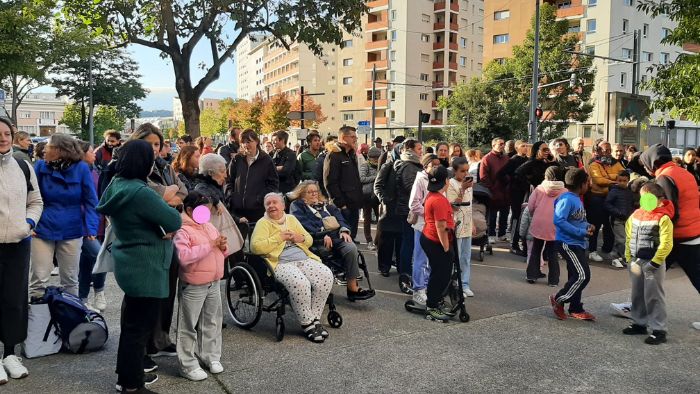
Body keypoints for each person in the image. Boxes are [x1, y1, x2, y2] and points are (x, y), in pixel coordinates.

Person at [97, 139, 182, 393]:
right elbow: (173, 218)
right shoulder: (141, 191)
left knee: (132, 327)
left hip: (129, 261)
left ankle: (126, 376)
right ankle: (131, 385)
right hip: (146, 264)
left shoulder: (116, 185)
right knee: (138, 330)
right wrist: (166, 221)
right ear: (143, 163)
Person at [131, 123, 187, 367]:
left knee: (167, 291)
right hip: (146, 239)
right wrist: (166, 194)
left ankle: (160, 338)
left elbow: (183, 191)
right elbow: (146, 197)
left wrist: (168, 193)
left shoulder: (164, 166)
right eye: (149, 144)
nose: (154, 149)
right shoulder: (131, 168)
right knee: (141, 296)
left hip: (169, 236)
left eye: (157, 144)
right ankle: (140, 349)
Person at [251, 193, 334, 342]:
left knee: (326, 275)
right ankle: (307, 324)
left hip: (303, 258)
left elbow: (308, 239)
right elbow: (255, 247)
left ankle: (314, 319)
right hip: (280, 263)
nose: (271, 206)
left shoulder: (291, 219)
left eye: (274, 202)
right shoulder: (263, 223)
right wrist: (279, 237)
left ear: (283, 206)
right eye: (268, 203)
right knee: (301, 283)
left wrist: (299, 238)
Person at [29, 134, 99, 297]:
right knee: (39, 278)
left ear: (60, 150)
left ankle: (71, 317)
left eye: (48, 146)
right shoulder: (40, 167)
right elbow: (30, 197)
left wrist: (91, 228)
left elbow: (90, 201)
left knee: (70, 279)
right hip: (42, 227)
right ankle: (37, 319)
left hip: (72, 228)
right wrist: (29, 223)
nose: (44, 149)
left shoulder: (81, 168)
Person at [0, 117, 43, 384]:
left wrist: (28, 223)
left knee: (14, 299)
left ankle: (10, 353)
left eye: (7, 133)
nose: (3, 138)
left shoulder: (22, 164)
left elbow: (35, 200)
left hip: (18, 242)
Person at [639, 144, 700, 328]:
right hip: (692, 232)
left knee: (647, 270)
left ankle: (636, 308)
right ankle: (635, 306)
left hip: (677, 235)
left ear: (653, 162)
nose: (644, 168)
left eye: (645, 164)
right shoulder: (683, 172)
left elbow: (669, 209)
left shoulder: (665, 177)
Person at [174, 192, 229, 381]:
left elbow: (219, 251)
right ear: (190, 210)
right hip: (193, 284)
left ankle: (211, 356)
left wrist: (222, 246)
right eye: (203, 210)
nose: (207, 213)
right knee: (188, 325)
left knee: (212, 321)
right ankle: (187, 364)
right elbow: (184, 257)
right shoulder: (182, 230)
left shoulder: (208, 226)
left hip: (213, 281)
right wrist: (211, 244)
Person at [289, 181, 375, 301]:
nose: (314, 194)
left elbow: (339, 217)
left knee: (351, 247)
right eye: (310, 192)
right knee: (323, 250)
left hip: (335, 235)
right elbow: (302, 223)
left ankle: (352, 288)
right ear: (302, 194)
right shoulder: (297, 205)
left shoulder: (326, 204)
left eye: (316, 191)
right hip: (314, 237)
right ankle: (320, 289)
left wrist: (344, 230)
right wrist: (321, 234)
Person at [622, 182, 673, 345]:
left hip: (653, 264)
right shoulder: (635, 215)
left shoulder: (663, 218)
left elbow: (666, 243)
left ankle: (659, 329)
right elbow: (628, 236)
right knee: (637, 294)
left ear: (660, 199)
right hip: (636, 261)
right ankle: (639, 323)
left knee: (654, 296)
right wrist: (629, 258)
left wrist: (655, 262)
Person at [550, 168, 596, 321]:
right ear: (582, 184)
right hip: (567, 243)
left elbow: (578, 220)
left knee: (575, 275)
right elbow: (559, 220)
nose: (589, 185)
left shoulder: (576, 199)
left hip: (578, 243)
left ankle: (575, 307)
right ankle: (559, 299)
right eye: (587, 182)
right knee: (583, 275)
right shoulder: (567, 199)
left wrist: (587, 226)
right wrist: (579, 232)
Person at [75, 141, 108, 311]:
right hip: (84, 226)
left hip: (98, 223)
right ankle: (95, 292)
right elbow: (82, 201)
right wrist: (89, 226)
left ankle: (85, 297)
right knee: (98, 257)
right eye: (90, 151)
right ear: (81, 153)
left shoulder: (95, 170)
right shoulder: (76, 172)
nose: (94, 154)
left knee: (88, 261)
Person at [420, 166, 456, 321]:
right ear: (446, 181)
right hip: (436, 241)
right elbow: (441, 226)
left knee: (440, 272)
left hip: (429, 237)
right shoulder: (439, 200)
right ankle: (432, 306)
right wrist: (446, 247)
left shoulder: (432, 195)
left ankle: (435, 300)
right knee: (440, 274)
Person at [192, 153, 245, 255]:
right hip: (211, 245)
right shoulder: (201, 187)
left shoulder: (215, 186)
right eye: (222, 171)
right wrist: (216, 201)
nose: (225, 175)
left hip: (218, 244)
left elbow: (223, 212)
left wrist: (237, 219)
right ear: (211, 173)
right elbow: (199, 216)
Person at [407, 153, 440, 304]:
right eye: (434, 165)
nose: (437, 168)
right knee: (420, 258)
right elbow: (414, 204)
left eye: (438, 165)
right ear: (426, 166)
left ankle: (426, 286)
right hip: (422, 225)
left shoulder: (437, 180)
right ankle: (418, 289)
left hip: (433, 226)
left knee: (429, 259)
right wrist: (429, 214)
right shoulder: (420, 179)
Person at [525, 166, 567, 286]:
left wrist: (535, 215)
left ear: (546, 176)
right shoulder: (564, 192)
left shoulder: (539, 189)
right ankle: (553, 280)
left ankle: (532, 274)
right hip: (555, 224)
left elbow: (530, 206)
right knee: (553, 253)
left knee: (536, 249)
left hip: (539, 221)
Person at [226, 129, 279, 222]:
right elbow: (228, 180)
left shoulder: (266, 160)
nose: (245, 145)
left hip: (257, 212)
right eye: (243, 142)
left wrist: (260, 199)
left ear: (256, 141)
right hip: (237, 212)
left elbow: (273, 184)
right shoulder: (237, 159)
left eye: (248, 141)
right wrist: (231, 197)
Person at [587, 141, 625, 262]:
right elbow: (599, 180)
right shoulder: (593, 163)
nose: (608, 153)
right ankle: (592, 251)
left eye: (609, 150)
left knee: (609, 225)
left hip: (611, 199)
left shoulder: (615, 162)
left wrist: (608, 176)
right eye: (605, 150)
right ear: (598, 151)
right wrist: (615, 179)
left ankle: (607, 250)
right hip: (597, 198)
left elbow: (624, 174)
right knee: (595, 225)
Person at [394, 139, 424, 293]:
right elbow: (410, 187)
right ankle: (405, 274)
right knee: (409, 243)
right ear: (410, 150)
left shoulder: (411, 164)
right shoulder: (409, 166)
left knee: (408, 242)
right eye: (419, 148)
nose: (421, 151)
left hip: (408, 208)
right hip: (408, 210)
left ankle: (405, 270)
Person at [324, 126, 363, 240]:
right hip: (343, 205)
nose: (355, 139)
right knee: (343, 238)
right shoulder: (334, 155)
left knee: (352, 236)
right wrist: (341, 204)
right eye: (352, 137)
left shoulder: (351, 154)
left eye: (355, 137)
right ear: (343, 137)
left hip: (354, 203)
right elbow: (330, 182)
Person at [374, 143, 404, 277]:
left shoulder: (407, 166)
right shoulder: (388, 165)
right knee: (386, 239)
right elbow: (378, 185)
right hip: (389, 208)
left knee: (401, 240)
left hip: (402, 208)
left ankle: (400, 266)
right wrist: (384, 199)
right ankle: (384, 267)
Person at [446, 157, 475, 298]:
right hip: (456, 225)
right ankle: (455, 284)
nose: (465, 174)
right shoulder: (451, 184)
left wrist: (473, 223)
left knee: (466, 257)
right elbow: (454, 206)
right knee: (455, 257)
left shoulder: (469, 185)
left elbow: (470, 205)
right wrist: (462, 189)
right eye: (462, 171)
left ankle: (465, 284)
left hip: (467, 224)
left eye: (467, 171)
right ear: (455, 171)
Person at [500, 140, 529, 256]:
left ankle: (523, 243)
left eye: (526, 146)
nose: (525, 148)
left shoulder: (528, 160)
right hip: (516, 193)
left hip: (527, 192)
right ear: (517, 148)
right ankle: (513, 243)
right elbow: (502, 174)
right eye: (523, 146)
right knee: (516, 216)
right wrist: (512, 181)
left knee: (525, 218)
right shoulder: (513, 160)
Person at [480, 138, 511, 243]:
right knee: (492, 215)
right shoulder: (487, 158)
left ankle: (502, 233)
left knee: (505, 213)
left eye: (504, 144)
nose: (502, 146)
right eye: (500, 144)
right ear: (493, 145)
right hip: (493, 191)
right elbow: (483, 176)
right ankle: (491, 234)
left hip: (506, 191)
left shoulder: (506, 158)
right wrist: (492, 188)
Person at [604, 171, 634, 269]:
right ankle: (623, 258)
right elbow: (607, 204)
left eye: (624, 181)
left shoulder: (629, 192)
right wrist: (618, 213)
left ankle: (616, 256)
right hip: (617, 219)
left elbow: (632, 204)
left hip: (628, 219)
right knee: (621, 239)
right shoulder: (613, 191)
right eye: (619, 180)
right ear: (616, 180)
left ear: (628, 180)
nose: (622, 182)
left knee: (624, 239)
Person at [360, 147, 381, 250]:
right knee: (367, 218)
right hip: (366, 195)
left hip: (378, 196)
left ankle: (378, 240)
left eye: (377, 158)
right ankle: (369, 240)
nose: (376, 160)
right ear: (369, 157)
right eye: (374, 158)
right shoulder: (365, 165)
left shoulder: (381, 166)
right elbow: (361, 178)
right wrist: (376, 177)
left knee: (380, 218)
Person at [95, 130, 122, 196]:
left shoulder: (123, 150)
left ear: (118, 141)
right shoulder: (100, 150)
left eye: (112, 141)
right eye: (108, 141)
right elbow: (93, 164)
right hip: (104, 179)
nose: (110, 143)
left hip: (118, 179)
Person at [272, 130, 299, 194]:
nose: (273, 142)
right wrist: (277, 168)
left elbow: (286, 172)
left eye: (275, 140)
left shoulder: (290, 154)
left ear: (282, 140)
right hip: (275, 188)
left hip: (287, 189)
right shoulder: (272, 153)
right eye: (272, 140)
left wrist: (273, 169)